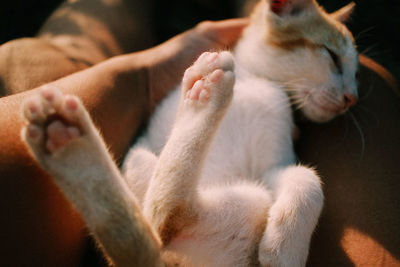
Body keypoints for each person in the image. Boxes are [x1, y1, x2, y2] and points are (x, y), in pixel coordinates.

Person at [0, 0, 399, 266]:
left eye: (354, 77)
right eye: (333, 59)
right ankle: (136, 217)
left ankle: (124, 218)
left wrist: (304, 194)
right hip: (199, 233)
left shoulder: (271, 103)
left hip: (195, 244)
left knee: (281, 188)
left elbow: (279, 175)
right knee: (150, 162)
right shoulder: (255, 85)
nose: (351, 95)